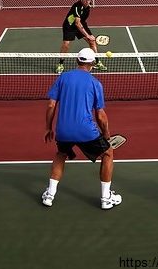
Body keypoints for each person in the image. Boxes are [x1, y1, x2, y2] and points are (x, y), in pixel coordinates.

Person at [42, 48, 122, 210]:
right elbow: (100, 115)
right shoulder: (95, 83)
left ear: (78, 61)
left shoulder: (63, 77)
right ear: (92, 63)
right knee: (108, 153)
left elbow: (51, 105)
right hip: (86, 131)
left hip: (63, 130)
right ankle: (106, 198)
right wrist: (106, 135)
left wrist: (48, 127)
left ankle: (49, 195)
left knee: (61, 154)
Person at [57, 0, 107, 74]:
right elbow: (77, 23)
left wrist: (89, 37)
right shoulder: (77, 6)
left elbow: (81, 22)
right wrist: (87, 35)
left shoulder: (88, 6)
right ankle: (60, 64)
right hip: (70, 26)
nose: (88, 1)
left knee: (92, 42)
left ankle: (97, 62)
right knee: (66, 44)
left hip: (82, 24)